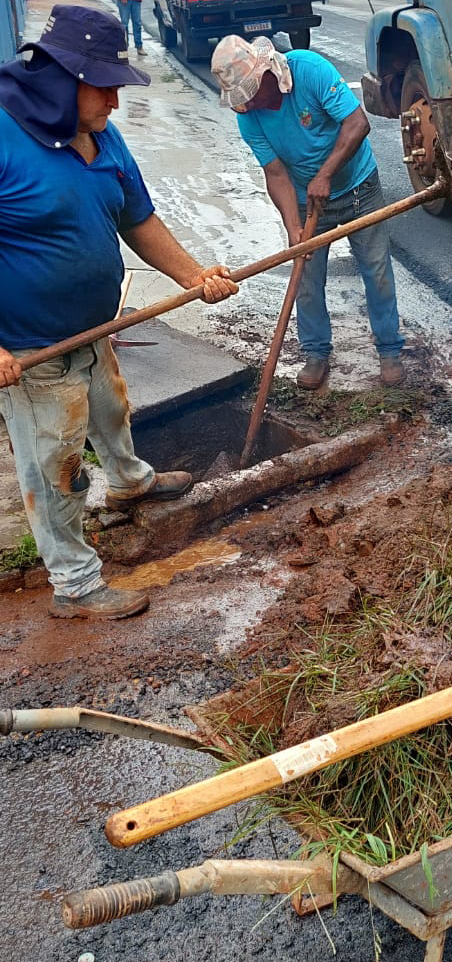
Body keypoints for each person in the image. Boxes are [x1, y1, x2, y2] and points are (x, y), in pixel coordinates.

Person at [0, 5, 238, 621]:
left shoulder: (103, 135)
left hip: (94, 330)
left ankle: (130, 483)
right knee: (57, 466)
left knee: (110, 412)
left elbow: (137, 217)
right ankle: (75, 586)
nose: (115, 99)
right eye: (103, 85)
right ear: (62, 76)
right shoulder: (3, 134)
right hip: (32, 351)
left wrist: (193, 275)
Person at [211, 36, 406, 391]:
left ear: (268, 72)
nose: (250, 103)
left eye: (252, 92)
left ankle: (390, 350)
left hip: (359, 187)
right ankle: (316, 354)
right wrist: (294, 228)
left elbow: (358, 123)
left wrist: (326, 174)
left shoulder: (309, 70)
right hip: (307, 202)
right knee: (306, 278)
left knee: (376, 271)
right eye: (243, 98)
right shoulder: (248, 118)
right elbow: (276, 174)